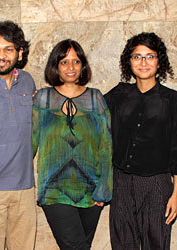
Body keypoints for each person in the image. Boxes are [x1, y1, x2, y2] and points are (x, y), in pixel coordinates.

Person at [32, 39, 113, 250]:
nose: (70, 67)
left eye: (76, 61)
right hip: (54, 190)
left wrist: (103, 189)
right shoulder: (43, 99)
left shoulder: (96, 99)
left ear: (82, 65)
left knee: (82, 246)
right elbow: (30, 143)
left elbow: (106, 146)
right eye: (64, 62)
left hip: (91, 192)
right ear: (55, 65)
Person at [104, 32, 177, 250]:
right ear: (129, 61)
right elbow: (89, 114)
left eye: (150, 56)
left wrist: (176, 194)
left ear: (159, 61)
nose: (143, 62)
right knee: (122, 243)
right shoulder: (117, 95)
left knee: (156, 243)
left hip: (157, 184)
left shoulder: (172, 101)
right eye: (137, 57)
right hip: (121, 183)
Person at [0, 21, 36, 250]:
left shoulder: (28, 81)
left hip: (24, 190)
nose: (1, 55)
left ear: (19, 53)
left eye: (8, 49)